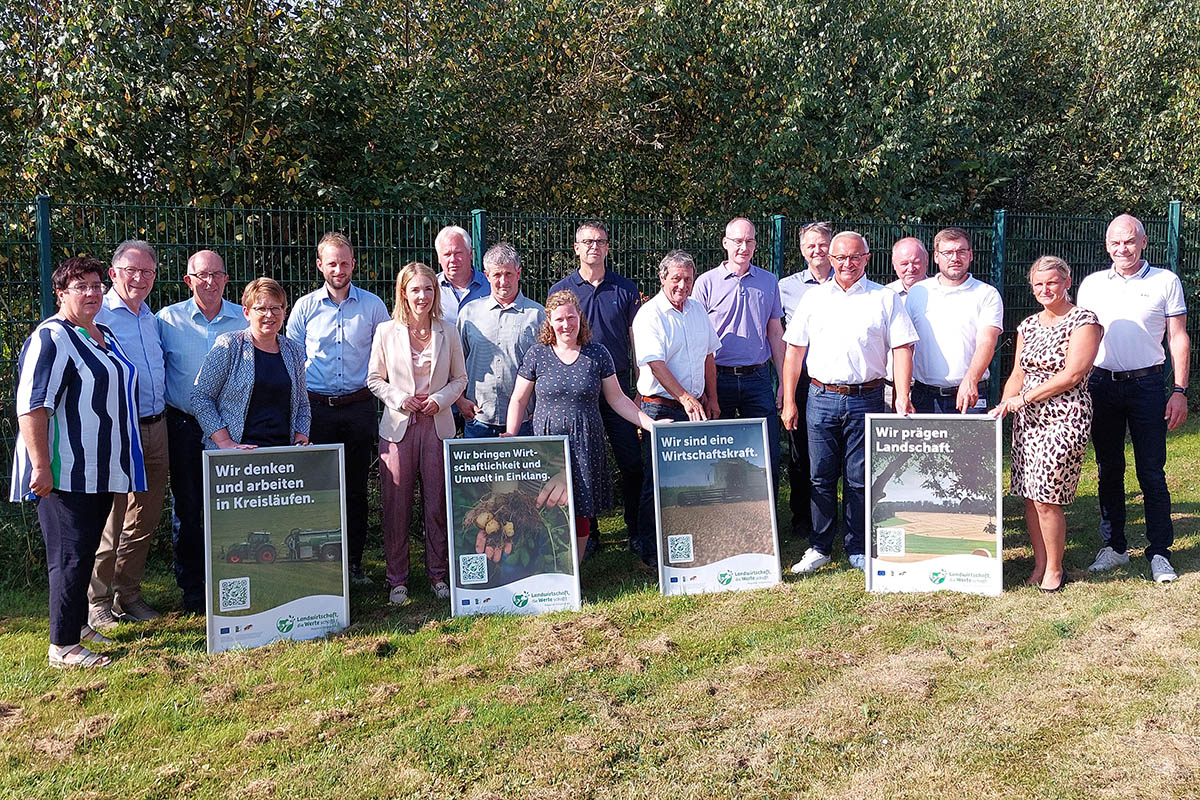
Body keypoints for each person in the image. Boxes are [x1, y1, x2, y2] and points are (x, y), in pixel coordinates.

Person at [11, 256, 147, 668]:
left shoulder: (103, 333)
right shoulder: (51, 338)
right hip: (63, 470)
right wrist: (41, 466)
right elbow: (33, 406)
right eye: (79, 286)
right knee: (69, 555)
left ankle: (77, 624)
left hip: (100, 468)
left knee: (85, 549)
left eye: (94, 285)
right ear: (61, 293)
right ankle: (63, 646)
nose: (90, 293)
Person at [781, 231, 918, 574]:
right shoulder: (813, 299)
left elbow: (902, 347)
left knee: (859, 479)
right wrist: (788, 401)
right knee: (820, 477)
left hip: (866, 398)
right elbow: (794, 352)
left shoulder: (884, 298)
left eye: (855, 257)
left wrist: (902, 395)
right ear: (830, 258)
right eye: (840, 257)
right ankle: (819, 547)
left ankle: (857, 546)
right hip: (820, 397)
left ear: (867, 259)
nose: (847, 264)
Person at [1077, 214, 1189, 583]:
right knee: (1109, 470)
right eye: (1115, 243)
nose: (1122, 249)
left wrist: (1179, 391)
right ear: (1107, 246)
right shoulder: (1092, 285)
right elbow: (1080, 339)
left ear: (1143, 243)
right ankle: (1115, 548)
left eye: (1129, 241)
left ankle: (1160, 551)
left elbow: (1177, 337)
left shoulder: (1165, 281)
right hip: (1101, 385)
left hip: (1147, 386)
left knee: (1151, 473)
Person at [506, 290, 658, 561]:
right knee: (544, 507)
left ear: (580, 318)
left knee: (581, 510)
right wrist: (510, 434)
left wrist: (650, 425)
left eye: (571, 317)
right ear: (550, 322)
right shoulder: (536, 354)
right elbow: (519, 399)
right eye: (560, 319)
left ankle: (571, 570)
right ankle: (544, 564)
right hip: (547, 445)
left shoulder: (597, 353)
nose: (566, 324)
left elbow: (618, 399)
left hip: (584, 443)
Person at [991, 256, 1101, 591]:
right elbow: (1017, 374)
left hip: (1065, 415)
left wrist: (1023, 399)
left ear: (1067, 282)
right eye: (1038, 285)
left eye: (1052, 283)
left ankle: (1055, 568)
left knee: (1046, 496)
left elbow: (1073, 374)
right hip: (1027, 420)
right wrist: (1004, 406)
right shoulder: (1027, 326)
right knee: (1028, 494)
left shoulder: (1084, 321)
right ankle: (1039, 564)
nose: (1045, 289)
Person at [287, 232, 390, 585]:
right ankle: (321, 569)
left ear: (353, 265)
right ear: (320, 265)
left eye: (344, 263)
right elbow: (292, 360)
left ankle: (354, 565)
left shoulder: (374, 306)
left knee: (357, 490)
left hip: (360, 407)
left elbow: (385, 356)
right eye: (332, 263)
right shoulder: (304, 307)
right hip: (317, 410)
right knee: (319, 489)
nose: (339, 269)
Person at [367, 262, 467, 605]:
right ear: (403, 293)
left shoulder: (448, 330)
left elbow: (460, 380)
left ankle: (438, 574)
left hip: (437, 426)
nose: (422, 296)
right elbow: (374, 378)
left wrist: (439, 401)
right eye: (415, 290)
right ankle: (397, 580)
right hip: (398, 428)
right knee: (396, 506)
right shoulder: (385, 331)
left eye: (428, 289)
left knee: (437, 503)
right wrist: (399, 398)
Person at [157, 250, 248, 613]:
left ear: (227, 280)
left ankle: (235, 578)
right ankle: (194, 590)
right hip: (182, 426)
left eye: (217, 274)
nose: (209, 281)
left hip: (231, 429)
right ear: (188, 280)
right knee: (188, 508)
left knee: (232, 508)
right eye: (202, 275)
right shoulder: (167, 321)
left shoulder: (242, 321)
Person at [548, 221, 643, 554]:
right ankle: (590, 535)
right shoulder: (562, 291)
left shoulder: (626, 289)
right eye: (587, 241)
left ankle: (636, 531)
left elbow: (637, 342)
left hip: (617, 389)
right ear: (576, 247)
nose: (594, 247)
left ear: (607, 247)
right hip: (577, 391)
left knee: (632, 463)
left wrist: (640, 387)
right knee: (578, 464)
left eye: (600, 241)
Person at [89, 240, 169, 629]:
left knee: (145, 515)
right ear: (114, 272)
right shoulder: (97, 314)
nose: (139, 278)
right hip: (118, 431)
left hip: (157, 426)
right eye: (131, 270)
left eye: (147, 271)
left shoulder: (150, 317)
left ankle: (128, 594)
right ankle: (97, 601)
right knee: (112, 516)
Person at [630, 250, 720, 566]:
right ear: (663, 278)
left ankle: (686, 538)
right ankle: (648, 547)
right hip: (661, 408)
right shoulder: (649, 314)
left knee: (691, 478)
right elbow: (655, 363)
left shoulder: (697, 310)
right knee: (657, 481)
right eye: (676, 279)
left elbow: (709, 356)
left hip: (694, 406)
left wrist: (712, 398)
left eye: (688, 279)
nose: (682, 285)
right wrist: (685, 397)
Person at [693, 217, 785, 485]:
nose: (743, 247)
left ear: (755, 245)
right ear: (725, 243)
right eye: (737, 241)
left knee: (766, 451)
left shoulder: (769, 282)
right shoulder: (706, 283)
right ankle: (717, 513)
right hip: (717, 378)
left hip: (757, 379)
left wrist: (781, 381)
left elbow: (776, 333)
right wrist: (704, 388)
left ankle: (767, 519)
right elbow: (696, 335)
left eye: (749, 241)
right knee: (715, 449)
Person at [193, 278, 311, 450]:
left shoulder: (293, 351)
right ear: (247, 313)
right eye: (261, 308)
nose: (269, 315)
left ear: (284, 313)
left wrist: (300, 441)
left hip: (284, 455)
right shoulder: (229, 345)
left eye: (275, 308)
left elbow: (302, 404)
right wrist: (225, 442)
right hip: (237, 454)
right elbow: (201, 397)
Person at [777, 222, 834, 540]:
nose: (817, 250)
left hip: (834, 379)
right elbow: (780, 339)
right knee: (800, 453)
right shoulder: (785, 286)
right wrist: (786, 390)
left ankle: (830, 516)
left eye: (823, 244)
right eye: (811, 245)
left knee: (831, 454)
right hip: (800, 380)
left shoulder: (847, 283)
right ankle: (801, 517)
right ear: (802, 250)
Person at [905, 229, 1003, 414]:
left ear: (971, 255)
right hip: (924, 396)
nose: (954, 258)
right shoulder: (918, 292)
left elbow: (987, 341)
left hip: (970, 395)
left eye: (961, 252)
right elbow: (906, 345)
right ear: (936, 257)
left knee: (971, 445)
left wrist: (970, 380)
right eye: (947, 253)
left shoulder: (987, 294)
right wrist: (902, 394)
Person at [456, 242, 545, 438]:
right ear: (487, 275)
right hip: (479, 419)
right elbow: (456, 364)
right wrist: (460, 401)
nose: (503, 281)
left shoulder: (537, 315)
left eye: (508, 274)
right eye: (497, 275)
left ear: (519, 273)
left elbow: (547, 370)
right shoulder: (469, 313)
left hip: (525, 421)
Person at [882, 237, 930, 409]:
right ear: (894, 264)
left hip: (929, 390)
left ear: (927, 261)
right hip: (889, 389)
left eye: (916, 262)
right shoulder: (884, 296)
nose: (911, 269)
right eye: (904, 264)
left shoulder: (941, 294)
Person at [435, 225, 489, 326]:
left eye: (458, 253)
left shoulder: (490, 286)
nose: (452, 260)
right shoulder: (430, 288)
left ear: (471, 254)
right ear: (439, 258)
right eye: (447, 254)